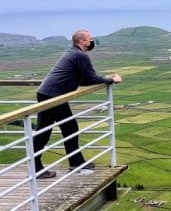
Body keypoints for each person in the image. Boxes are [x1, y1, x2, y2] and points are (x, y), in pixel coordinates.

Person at [32, 30, 122, 179]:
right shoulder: (80, 55)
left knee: (68, 127)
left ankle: (75, 161)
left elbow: (85, 79)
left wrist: (106, 79)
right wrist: (112, 79)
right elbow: (92, 78)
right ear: (81, 41)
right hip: (52, 95)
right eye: (89, 39)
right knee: (46, 131)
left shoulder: (74, 53)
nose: (92, 41)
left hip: (51, 94)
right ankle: (37, 167)